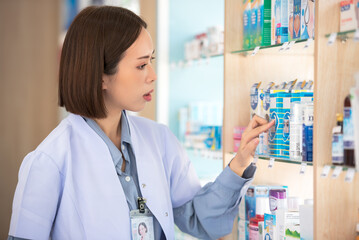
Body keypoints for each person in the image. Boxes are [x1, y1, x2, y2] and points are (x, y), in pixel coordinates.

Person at [8, 6, 274, 240]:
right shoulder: (49, 161)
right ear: (101, 76)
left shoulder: (159, 140)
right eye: (141, 65)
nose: (153, 75)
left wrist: (240, 162)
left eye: (152, 61)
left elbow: (199, 219)